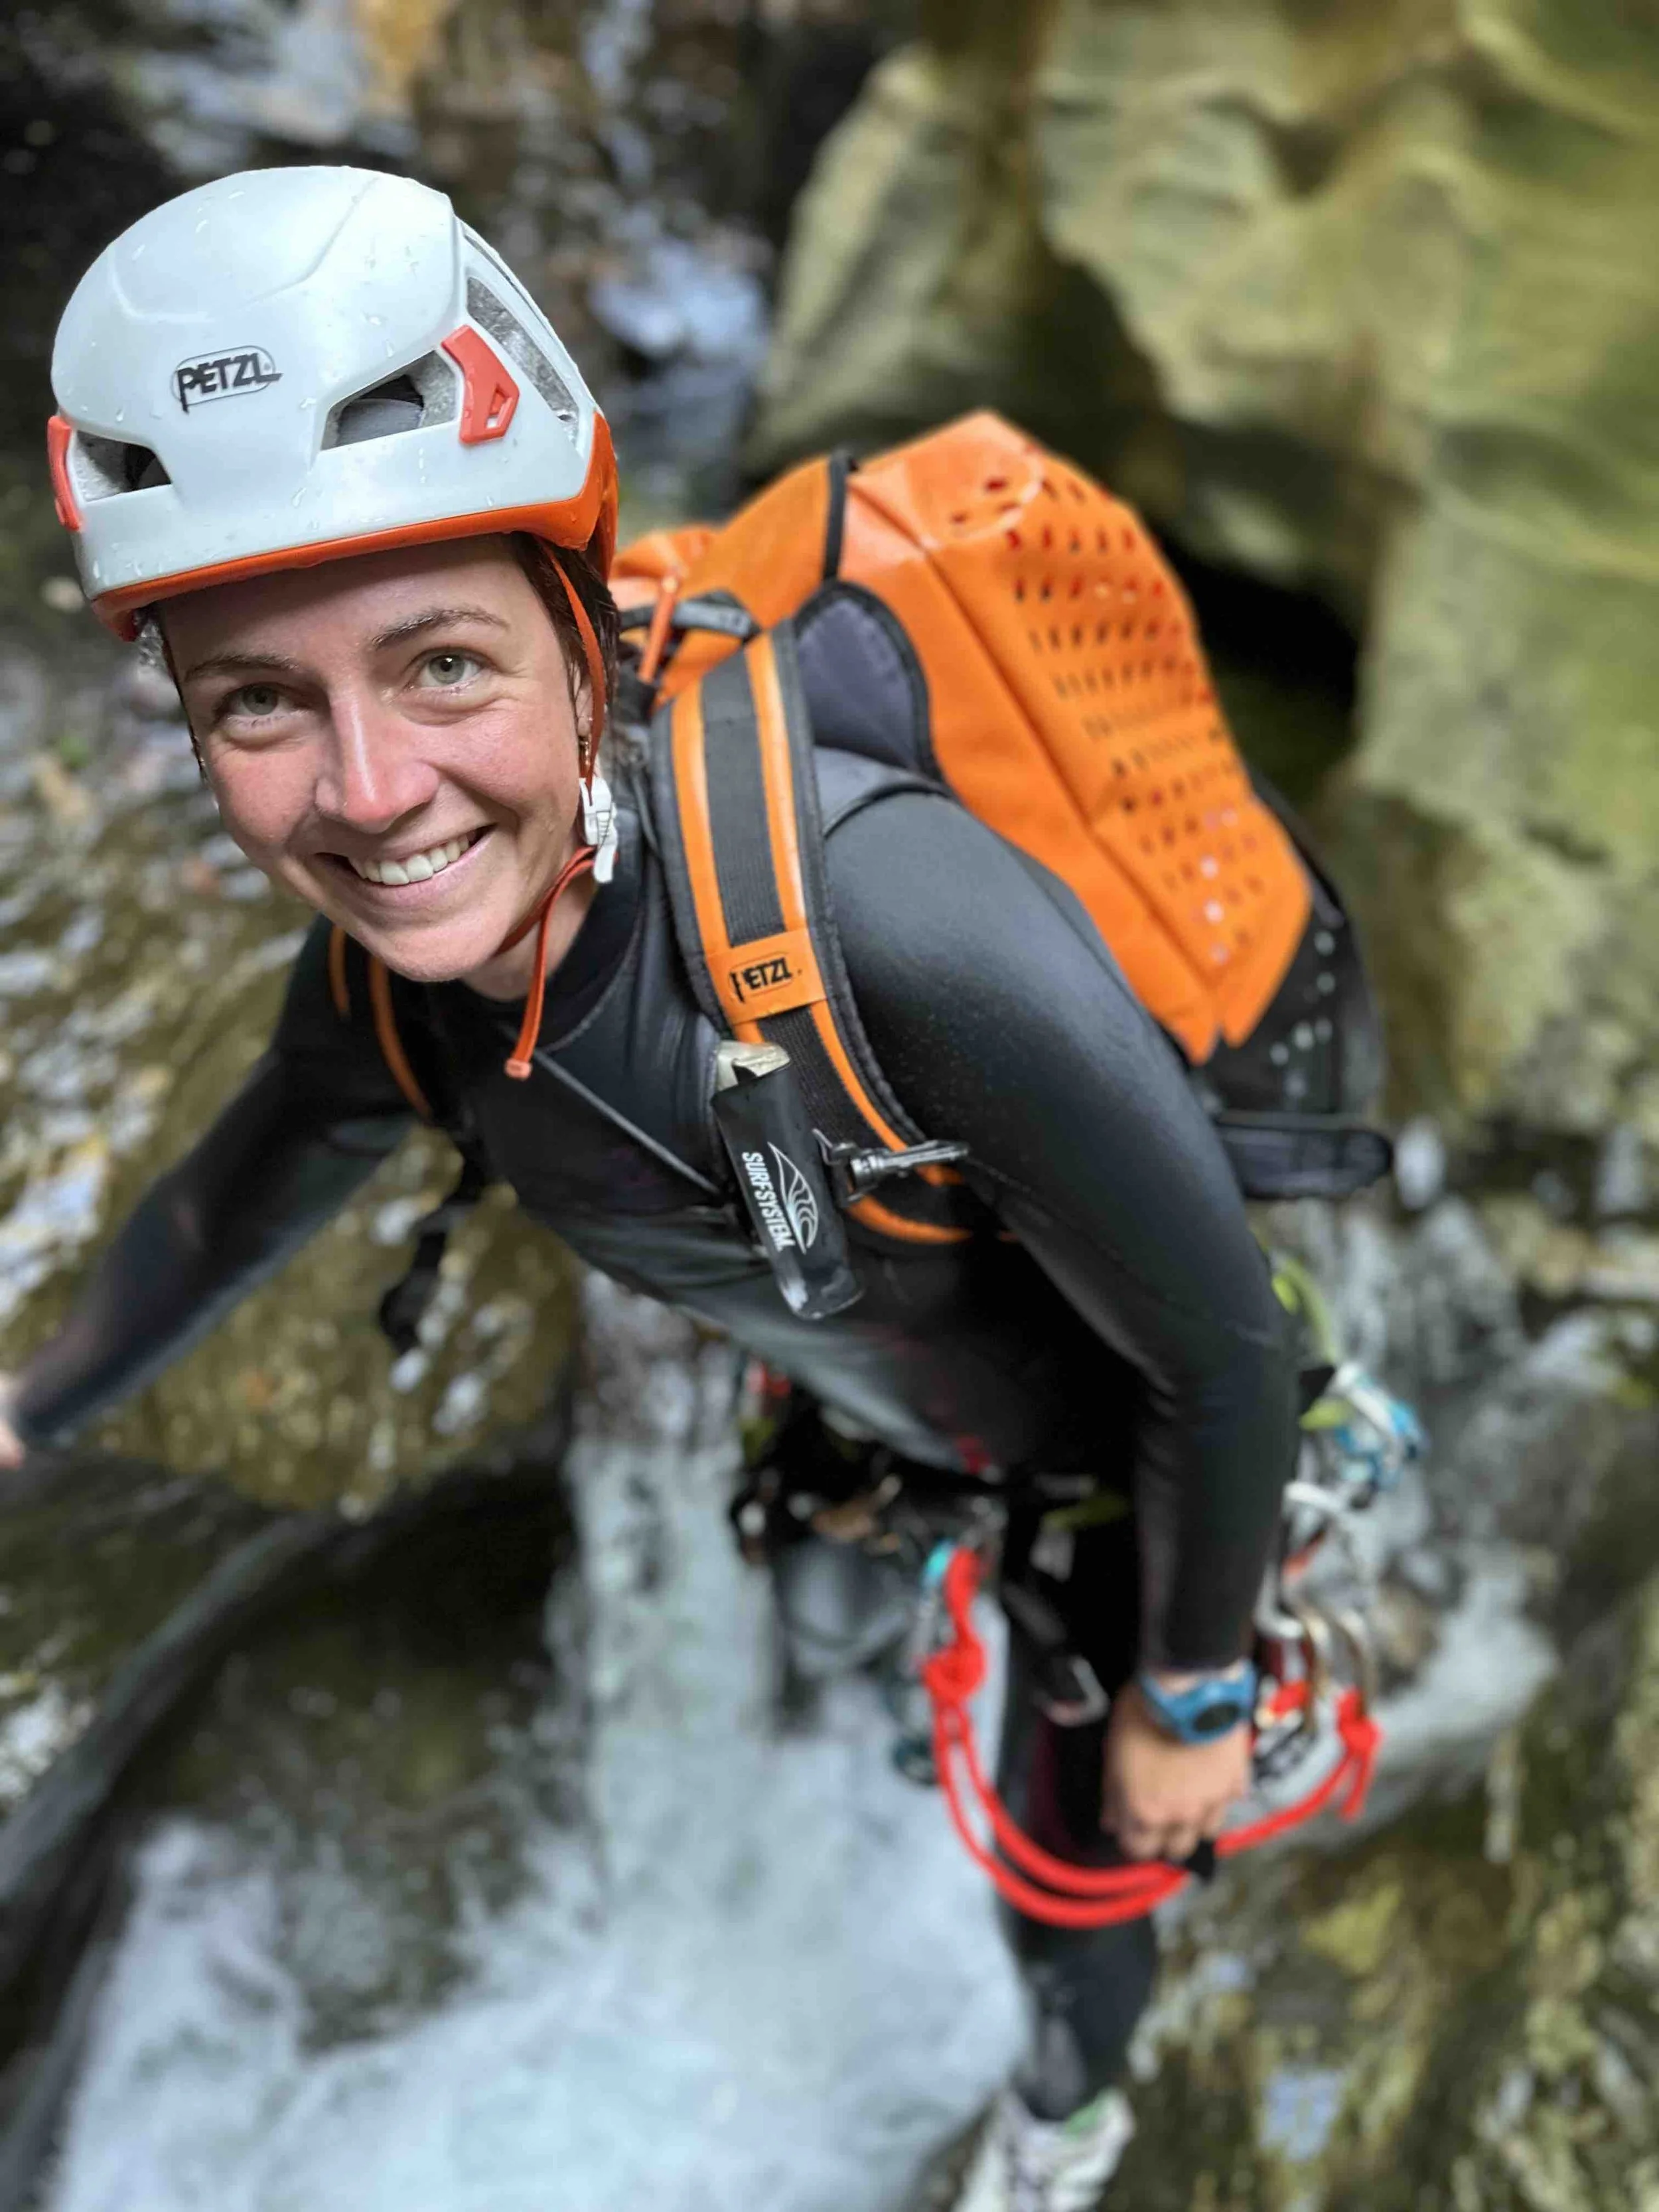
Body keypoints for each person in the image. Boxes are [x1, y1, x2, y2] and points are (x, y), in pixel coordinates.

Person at [5, 166, 1302, 2212]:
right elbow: (224, 1204)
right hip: (868, 1406)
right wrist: (23, 1410)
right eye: (258, 701)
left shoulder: (889, 925)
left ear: (578, 616)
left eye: (439, 664)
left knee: (1074, 1894)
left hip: (1104, 1470)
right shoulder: (394, 985)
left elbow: (1228, 1355)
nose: (365, 791)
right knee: (818, 1625)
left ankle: (1064, 2137)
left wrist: (1192, 1682)